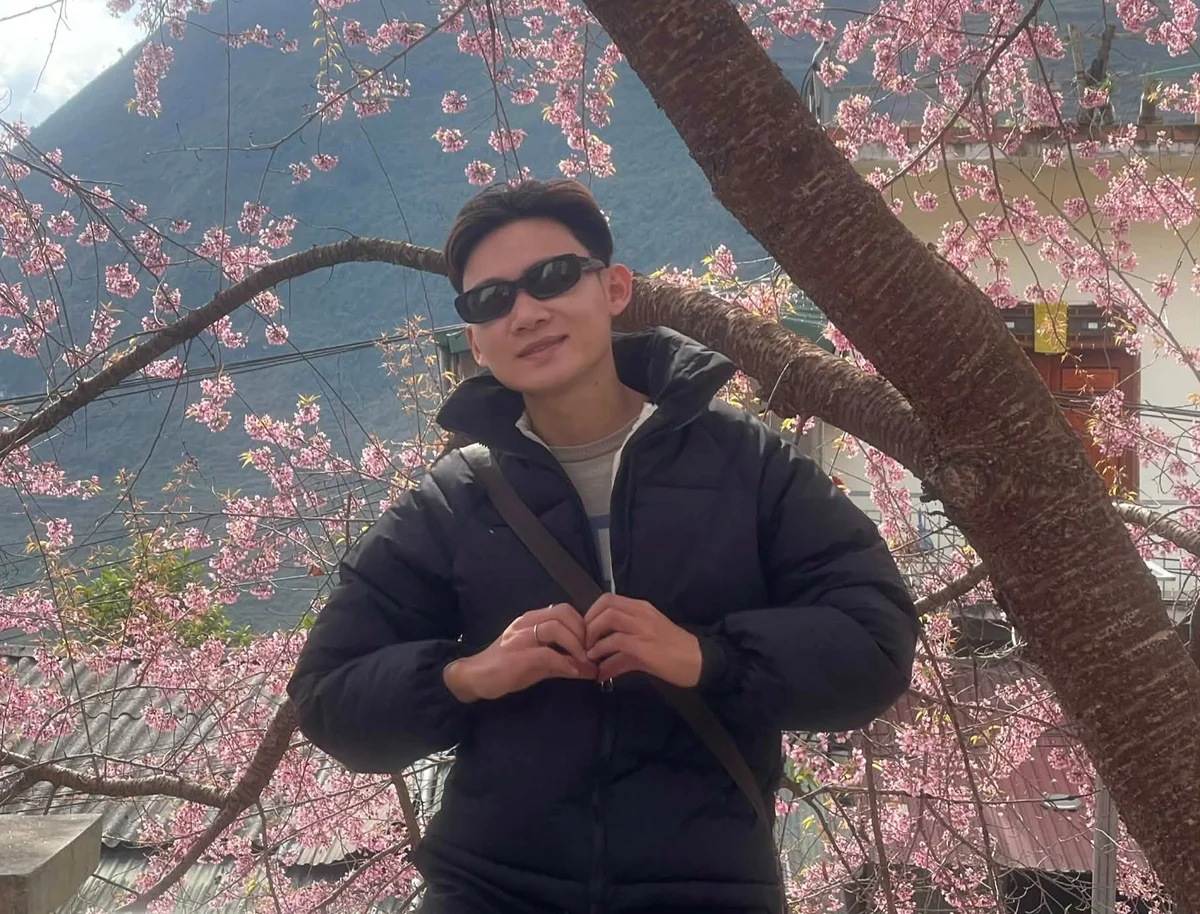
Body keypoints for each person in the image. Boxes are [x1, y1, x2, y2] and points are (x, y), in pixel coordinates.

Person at [286, 179, 918, 914]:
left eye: (552, 278)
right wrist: (468, 675)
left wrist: (709, 657)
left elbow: (874, 645)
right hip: (490, 887)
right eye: (491, 300)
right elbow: (328, 699)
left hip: (709, 889)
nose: (526, 312)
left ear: (614, 288)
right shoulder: (453, 500)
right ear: (477, 342)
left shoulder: (748, 466)